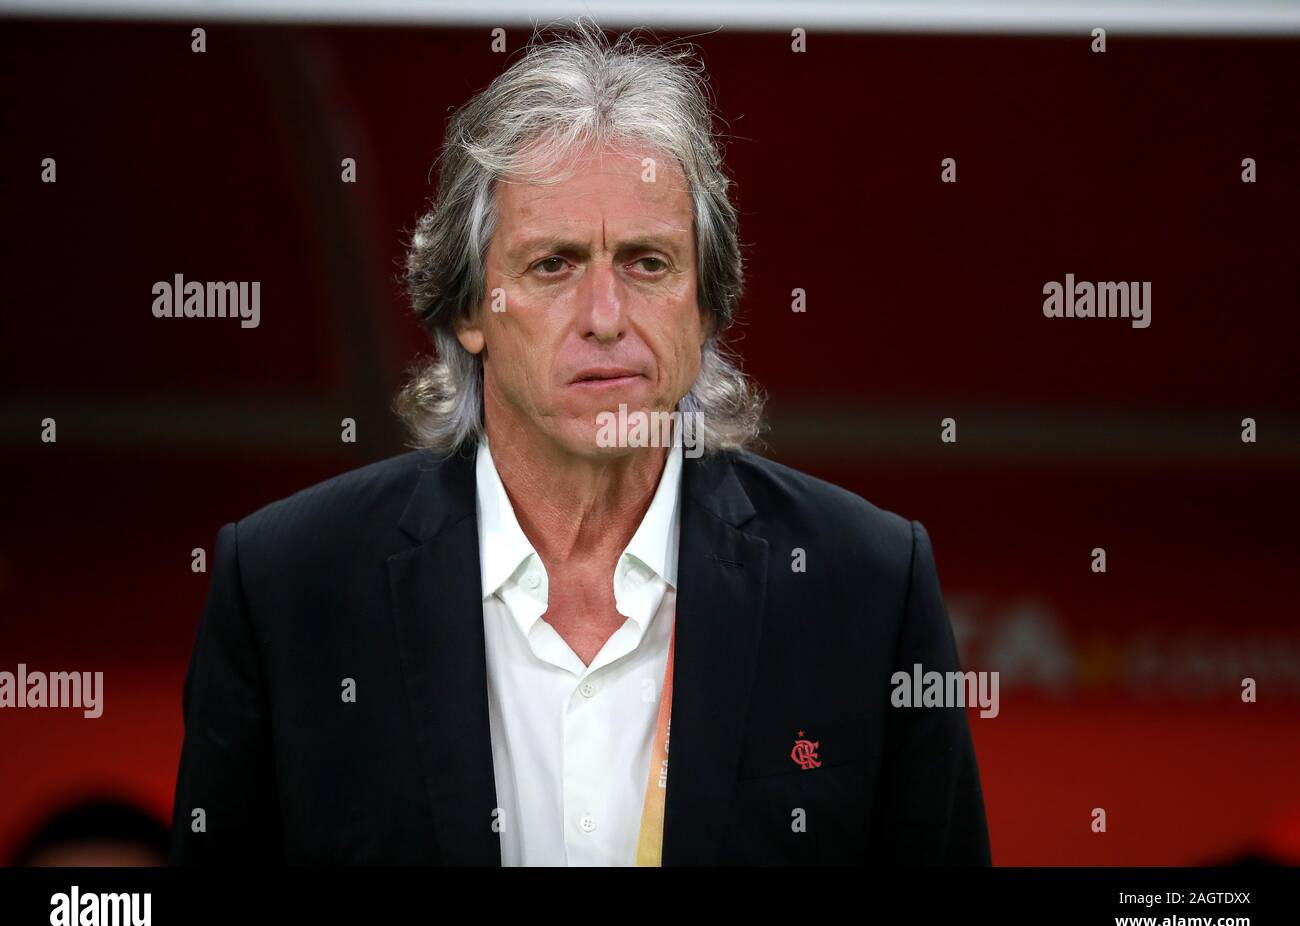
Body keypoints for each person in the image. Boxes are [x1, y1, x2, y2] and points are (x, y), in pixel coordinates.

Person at [170, 19, 990, 866]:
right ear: (466, 307)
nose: (606, 318)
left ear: (706, 302)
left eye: (647, 262)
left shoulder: (866, 584)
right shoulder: (285, 586)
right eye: (553, 264)